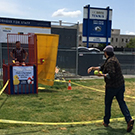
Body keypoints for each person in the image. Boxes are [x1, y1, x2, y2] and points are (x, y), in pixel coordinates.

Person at [87, 45, 134, 132]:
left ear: (105, 53)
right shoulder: (112, 59)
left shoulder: (110, 62)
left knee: (108, 104)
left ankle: (106, 122)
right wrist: (93, 68)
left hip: (112, 87)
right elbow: (102, 67)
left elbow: (111, 74)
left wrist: (102, 75)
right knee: (121, 102)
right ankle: (129, 119)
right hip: (120, 85)